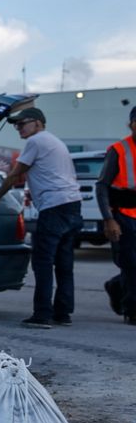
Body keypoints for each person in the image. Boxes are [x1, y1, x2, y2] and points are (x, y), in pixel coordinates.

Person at [0, 107, 82, 329]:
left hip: (54, 207)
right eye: (16, 125)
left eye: (22, 123)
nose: (18, 128)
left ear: (38, 123)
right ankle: (63, 313)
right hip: (72, 205)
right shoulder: (55, 141)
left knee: (43, 263)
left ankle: (41, 315)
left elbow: (16, 173)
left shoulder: (36, 141)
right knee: (64, 264)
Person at [96, 106, 136, 325]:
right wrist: (108, 218)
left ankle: (115, 286)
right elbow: (102, 186)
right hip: (123, 215)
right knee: (131, 263)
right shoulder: (119, 150)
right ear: (130, 124)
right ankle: (132, 310)